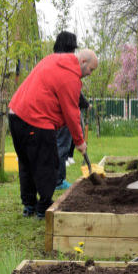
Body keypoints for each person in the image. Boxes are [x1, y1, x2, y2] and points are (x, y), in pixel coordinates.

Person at [8, 49, 98, 219]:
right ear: (83, 61)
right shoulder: (71, 77)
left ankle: (29, 205)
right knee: (48, 163)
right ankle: (43, 208)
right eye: (91, 69)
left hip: (15, 114)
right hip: (35, 119)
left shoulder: (53, 59)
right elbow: (72, 113)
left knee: (27, 162)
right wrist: (79, 141)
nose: (89, 74)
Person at [52, 31, 78, 190]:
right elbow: (68, 88)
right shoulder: (66, 63)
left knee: (56, 146)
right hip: (61, 112)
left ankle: (56, 179)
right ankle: (58, 181)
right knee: (62, 146)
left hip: (51, 112)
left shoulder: (52, 60)